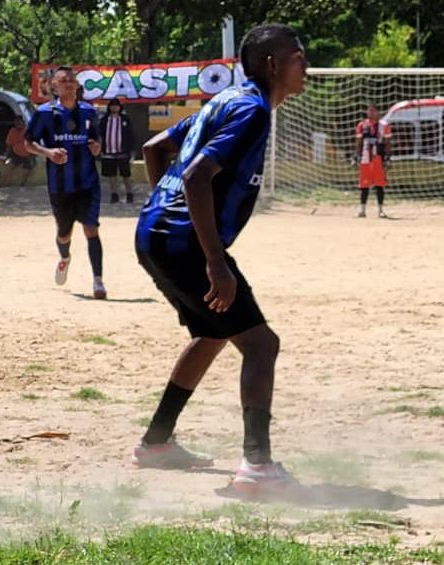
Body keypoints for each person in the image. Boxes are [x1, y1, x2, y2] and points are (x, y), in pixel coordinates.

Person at [134, 24, 308, 495]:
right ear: (272, 64)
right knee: (261, 345)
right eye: (298, 58)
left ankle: (156, 444)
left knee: (213, 333)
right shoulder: (250, 111)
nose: (305, 67)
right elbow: (195, 177)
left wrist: (167, 209)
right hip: (184, 244)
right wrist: (214, 260)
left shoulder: (225, 101)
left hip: (154, 235)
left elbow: (155, 149)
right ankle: (257, 467)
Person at [25, 66, 107, 299]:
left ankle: (98, 281)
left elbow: (97, 141)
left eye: (72, 80)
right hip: (60, 185)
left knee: (91, 228)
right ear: (54, 86)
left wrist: (97, 147)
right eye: (64, 81)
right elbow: (28, 143)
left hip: (88, 182)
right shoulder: (44, 113)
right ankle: (65, 256)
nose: (69, 84)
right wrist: (48, 152)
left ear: (78, 86)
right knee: (64, 233)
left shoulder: (89, 112)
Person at [354, 105, 391, 218]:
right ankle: (362, 210)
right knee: (364, 184)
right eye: (369, 110)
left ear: (377, 112)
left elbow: (387, 142)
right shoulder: (362, 125)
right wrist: (357, 155)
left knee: (380, 184)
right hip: (365, 158)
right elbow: (359, 141)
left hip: (378, 158)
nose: (370, 112)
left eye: (373, 110)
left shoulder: (384, 125)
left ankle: (381, 210)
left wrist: (387, 156)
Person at [99, 98, 137, 204]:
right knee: (111, 175)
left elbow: (131, 135)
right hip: (108, 152)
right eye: (112, 105)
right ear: (109, 107)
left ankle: (129, 194)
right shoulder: (104, 120)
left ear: (120, 107)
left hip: (123, 152)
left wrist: (132, 150)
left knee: (126, 175)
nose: (114, 107)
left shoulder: (125, 119)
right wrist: (100, 149)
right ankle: (114, 195)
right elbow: (100, 135)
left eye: (117, 105)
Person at [4, 116, 35, 186]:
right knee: (9, 167)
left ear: (23, 122)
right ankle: (7, 185)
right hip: (15, 154)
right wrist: (7, 155)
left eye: (19, 122)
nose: (17, 123)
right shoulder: (12, 131)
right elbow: (9, 144)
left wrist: (33, 156)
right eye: (16, 122)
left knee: (26, 170)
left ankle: (22, 185)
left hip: (27, 155)